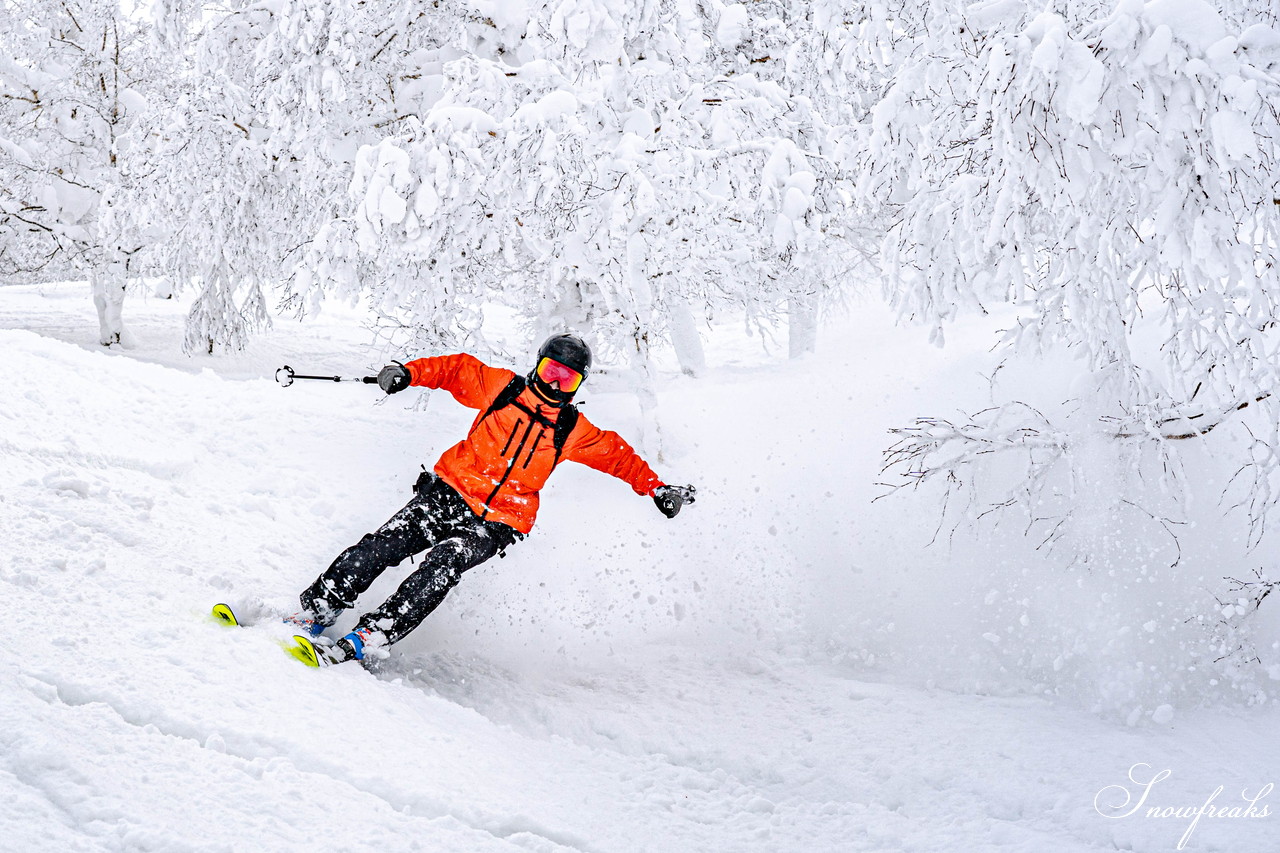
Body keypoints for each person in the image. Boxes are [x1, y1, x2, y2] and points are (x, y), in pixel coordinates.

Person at [286, 333, 696, 666]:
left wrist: (656, 487)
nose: (554, 383)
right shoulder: (503, 389)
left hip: (500, 520)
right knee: (385, 543)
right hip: (451, 490)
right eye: (550, 371)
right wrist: (407, 373)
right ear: (536, 365)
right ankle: (319, 607)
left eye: (566, 379)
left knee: (444, 563)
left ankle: (373, 634)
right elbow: (456, 370)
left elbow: (616, 455)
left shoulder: (570, 428)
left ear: (577, 385)